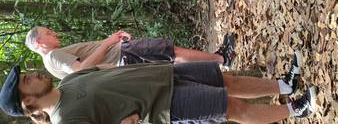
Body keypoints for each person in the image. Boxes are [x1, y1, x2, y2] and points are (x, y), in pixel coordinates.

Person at [0, 52, 315, 123]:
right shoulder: (65, 119)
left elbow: (107, 73)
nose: (32, 74)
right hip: (163, 105)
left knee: (226, 80)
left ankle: (284, 85)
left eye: (27, 74)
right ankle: (294, 109)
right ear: (29, 104)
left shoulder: (68, 81)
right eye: (27, 81)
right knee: (231, 108)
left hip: (163, 75)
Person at [24, 26, 236, 79]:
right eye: (48, 33)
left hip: (120, 59)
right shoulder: (52, 56)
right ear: (40, 42)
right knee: (171, 52)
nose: (54, 33)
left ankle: (217, 60)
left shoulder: (52, 62)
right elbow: (81, 69)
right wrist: (108, 42)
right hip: (121, 56)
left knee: (170, 58)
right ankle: (221, 58)